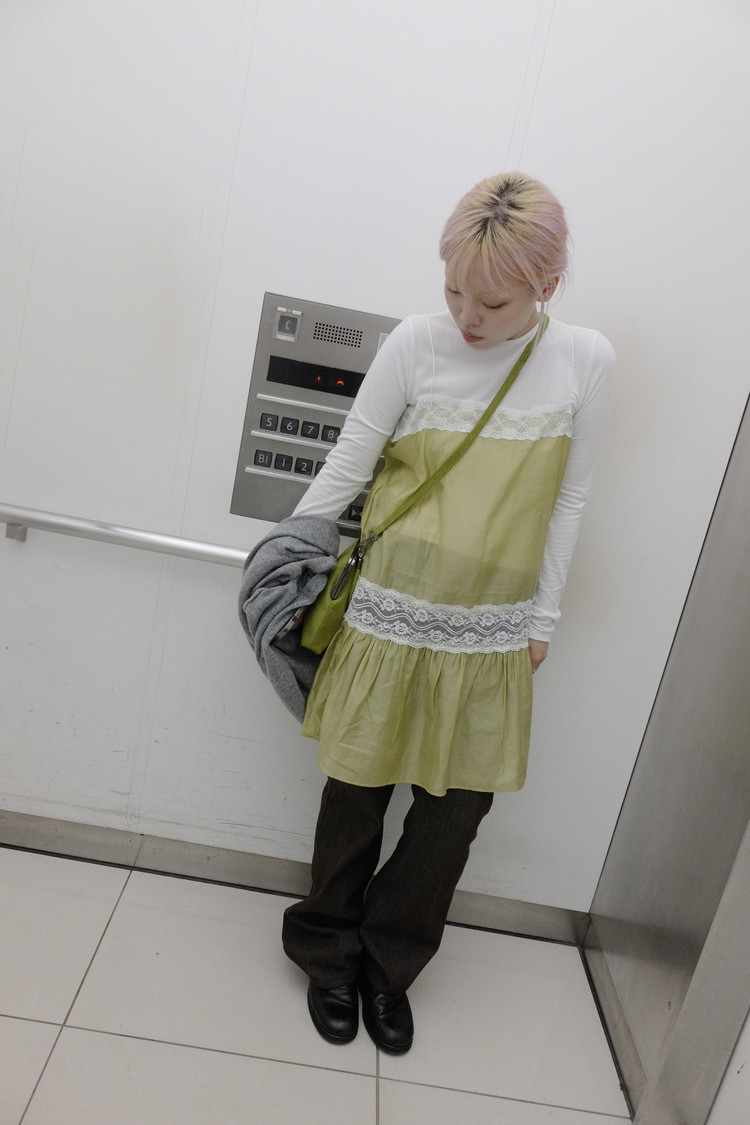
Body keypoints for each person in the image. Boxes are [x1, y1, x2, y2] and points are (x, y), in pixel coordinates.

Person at [280, 171, 616, 1054]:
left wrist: (542, 622)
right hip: (387, 613)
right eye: (454, 289)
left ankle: (388, 966)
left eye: (493, 302)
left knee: (451, 819)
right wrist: (282, 565)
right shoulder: (416, 344)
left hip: (492, 630)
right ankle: (327, 953)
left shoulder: (586, 361)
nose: (468, 316)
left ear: (547, 284)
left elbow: (570, 499)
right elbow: (351, 462)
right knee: (355, 795)